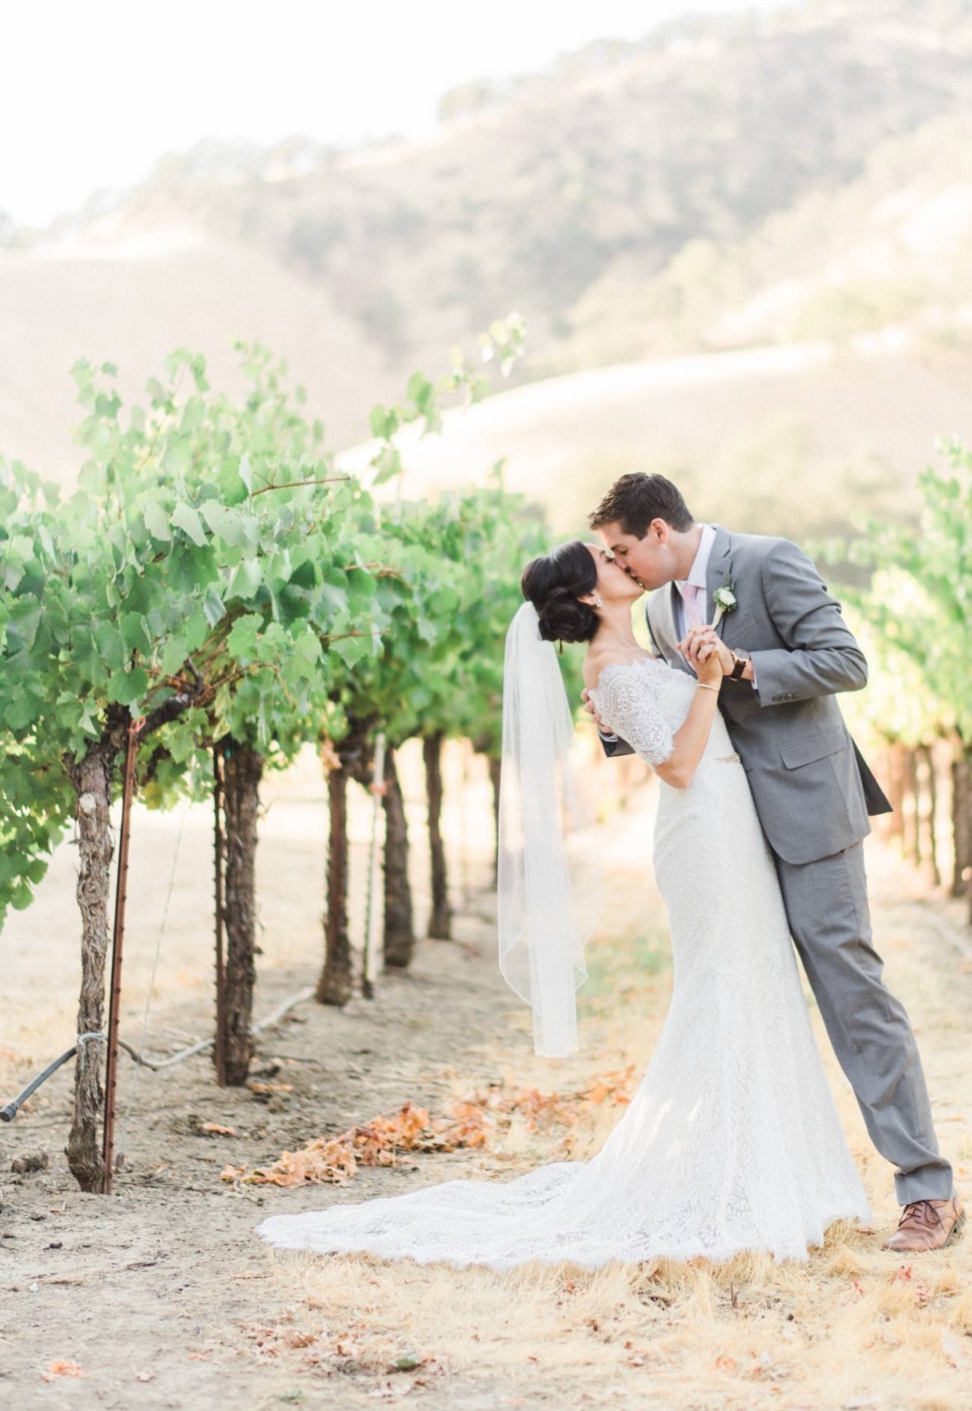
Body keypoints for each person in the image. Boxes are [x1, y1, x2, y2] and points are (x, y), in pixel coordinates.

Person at [256, 532, 873, 1270]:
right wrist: (707, 683)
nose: (622, 564)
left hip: (735, 820)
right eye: (607, 563)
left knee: (760, 979)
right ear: (586, 596)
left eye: (619, 555)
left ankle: (769, 1171)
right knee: (722, 986)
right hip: (703, 828)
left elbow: (664, 731)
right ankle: (727, 1179)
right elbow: (676, 765)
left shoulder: (644, 648)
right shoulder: (608, 668)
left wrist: (693, 677)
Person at [586, 472, 963, 1255]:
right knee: (745, 1000)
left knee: (851, 989)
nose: (618, 568)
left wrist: (747, 663)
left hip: (807, 814)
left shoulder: (767, 560)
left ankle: (927, 1189)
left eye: (624, 551)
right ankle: (765, 1183)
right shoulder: (655, 610)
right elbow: (681, 708)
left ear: (660, 531)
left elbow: (846, 661)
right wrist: (614, 718)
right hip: (723, 830)